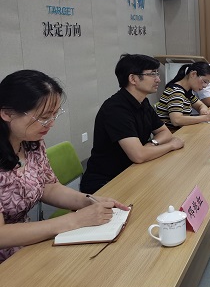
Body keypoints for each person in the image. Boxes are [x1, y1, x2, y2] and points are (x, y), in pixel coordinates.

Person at [0, 70, 129, 263]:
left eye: (54, 115)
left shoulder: (31, 142)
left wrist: (87, 201)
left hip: (25, 244)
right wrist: (74, 220)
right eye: (44, 117)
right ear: (7, 113)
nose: (50, 124)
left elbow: (48, 187)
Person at [80, 54, 184, 194]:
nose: (158, 79)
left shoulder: (143, 101)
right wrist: (171, 145)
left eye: (157, 73)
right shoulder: (116, 109)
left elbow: (164, 132)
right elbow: (139, 155)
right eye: (152, 74)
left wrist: (152, 143)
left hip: (133, 169)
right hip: (107, 181)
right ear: (133, 79)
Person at [155, 61, 210, 130]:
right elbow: (176, 120)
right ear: (193, 74)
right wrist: (207, 117)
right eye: (205, 81)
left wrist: (203, 110)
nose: (205, 86)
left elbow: (201, 105)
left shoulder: (187, 92)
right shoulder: (176, 92)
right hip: (172, 133)